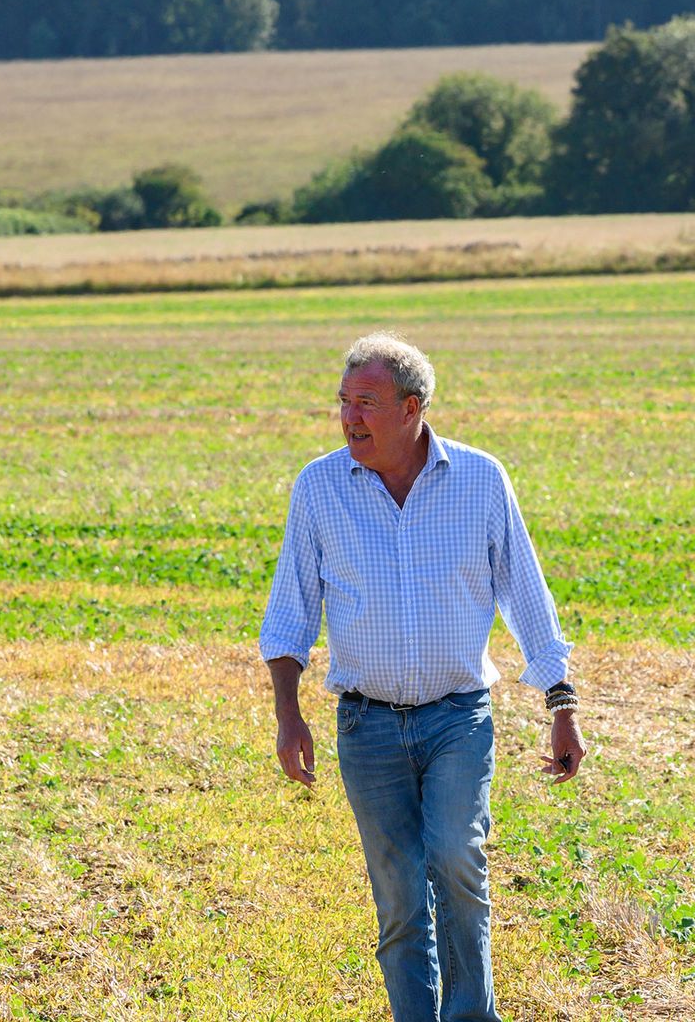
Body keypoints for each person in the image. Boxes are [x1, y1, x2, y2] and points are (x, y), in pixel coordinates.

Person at [260, 331, 586, 1022]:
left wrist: (562, 703)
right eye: (344, 401)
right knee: (400, 898)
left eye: (366, 403)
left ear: (412, 408)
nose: (350, 417)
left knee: (458, 863)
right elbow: (290, 613)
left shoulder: (480, 480)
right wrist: (288, 715)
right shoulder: (319, 487)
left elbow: (527, 596)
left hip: (457, 718)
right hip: (366, 725)